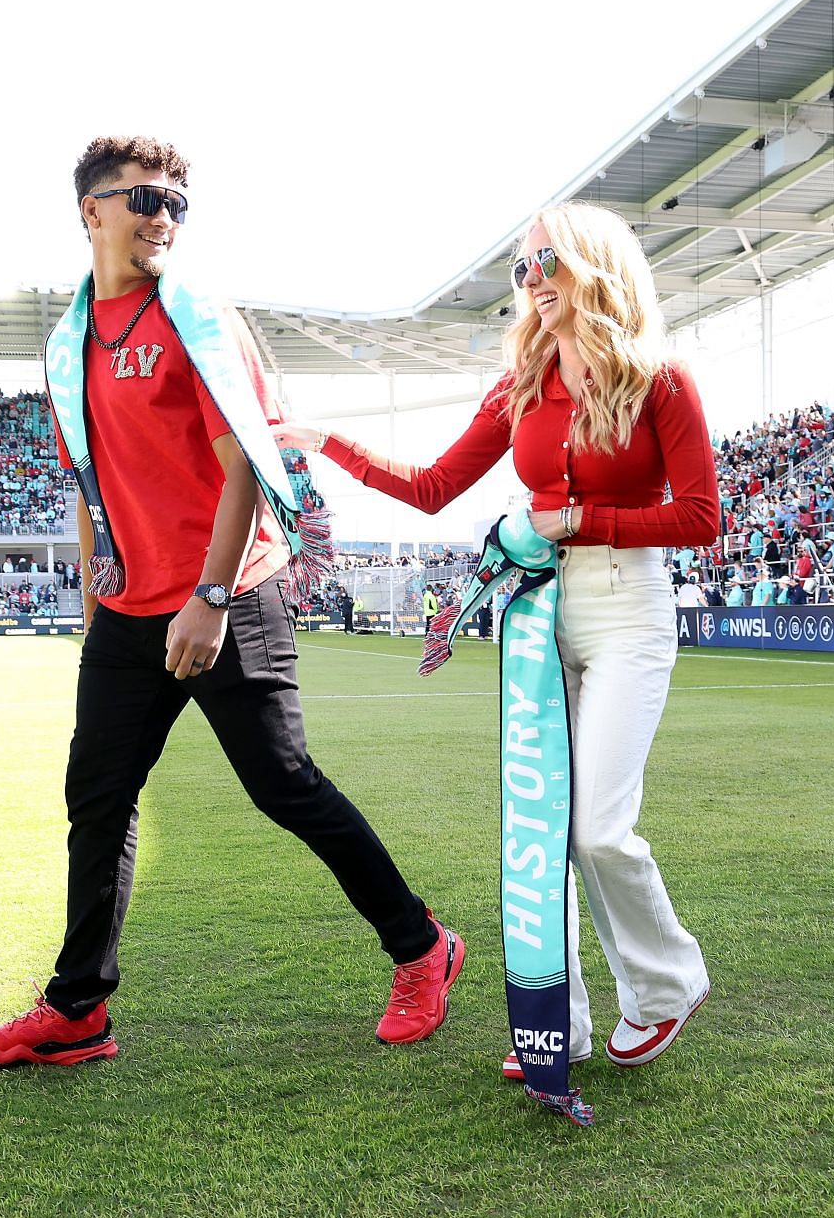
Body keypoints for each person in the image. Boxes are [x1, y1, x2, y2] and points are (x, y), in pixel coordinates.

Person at [0, 136, 460, 1072]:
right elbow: (86, 474)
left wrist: (212, 597)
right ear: (91, 210)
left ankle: (423, 947)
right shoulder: (70, 339)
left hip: (231, 594)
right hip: (129, 609)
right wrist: (90, 593)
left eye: (179, 203)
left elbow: (247, 470)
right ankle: (76, 1011)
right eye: (144, 197)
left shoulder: (198, 319)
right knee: (97, 799)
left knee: (284, 786)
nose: (164, 216)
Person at [275, 202, 714, 1120]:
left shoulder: (660, 379)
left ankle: (668, 987)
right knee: (542, 832)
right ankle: (559, 1025)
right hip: (539, 609)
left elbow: (702, 518)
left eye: (546, 261)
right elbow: (433, 486)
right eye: (522, 269)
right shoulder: (521, 382)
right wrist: (326, 441)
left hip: (629, 606)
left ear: (594, 265)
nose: (532, 281)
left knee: (596, 827)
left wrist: (584, 521)